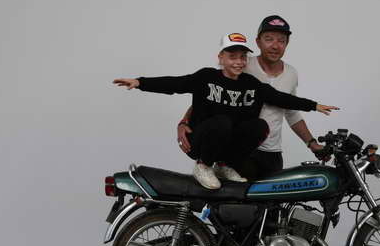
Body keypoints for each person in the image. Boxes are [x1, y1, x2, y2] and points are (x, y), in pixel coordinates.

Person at [113, 32, 338, 189]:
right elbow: (175, 84)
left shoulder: (251, 84)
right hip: (201, 142)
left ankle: (224, 165)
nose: (238, 62)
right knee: (223, 121)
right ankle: (203, 166)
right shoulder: (206, 77)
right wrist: (140, 82)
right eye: (232, 57)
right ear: (220, 58)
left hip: (229, 147)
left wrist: (313, 105)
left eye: (242, 57)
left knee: (259, 126)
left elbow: (280, 98)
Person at [177, 15, 326, 181]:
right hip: (242, 150)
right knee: (235, 197)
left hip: (273, 153)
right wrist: (184, 122)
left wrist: (311, 143)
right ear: (258, 42)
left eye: (281, 40)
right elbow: (210, 94)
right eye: (269, 39)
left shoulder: (291, 73)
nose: (275, 45)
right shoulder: (243, 64)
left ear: (287, 44)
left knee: (275, 197)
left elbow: (291, 112)